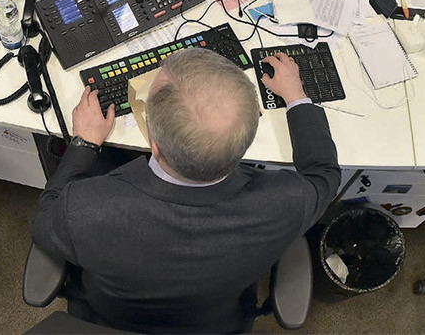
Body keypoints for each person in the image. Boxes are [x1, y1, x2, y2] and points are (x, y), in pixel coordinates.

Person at [31, 48, 339, 333]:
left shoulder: (86, 209)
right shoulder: (284, 203)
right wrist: (296, 96)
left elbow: (43, 221)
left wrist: (84, 143)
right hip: (216, 323)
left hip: (109, 319)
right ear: (244, 146)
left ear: (154, 146)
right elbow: (324, 174)